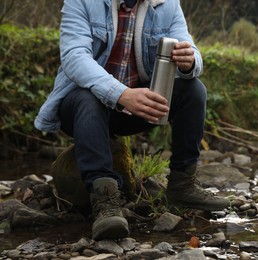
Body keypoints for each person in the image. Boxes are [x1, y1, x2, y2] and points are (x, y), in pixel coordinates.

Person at [34, 0, 229, 240]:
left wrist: (189, 62)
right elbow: (74, 58)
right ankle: (105, 200)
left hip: (138, 107)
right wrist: (121, 94)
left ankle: (182, 184)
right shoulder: (81, 1)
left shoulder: (168, 4)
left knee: (193, 89)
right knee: (87, 97)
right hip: (83, 109)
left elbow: (193, 55)